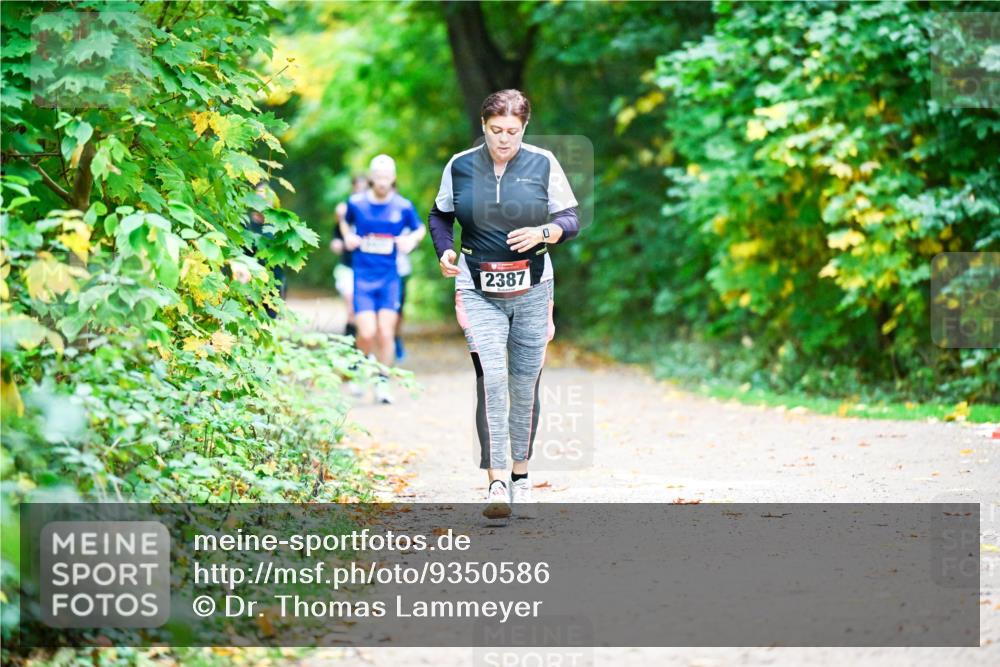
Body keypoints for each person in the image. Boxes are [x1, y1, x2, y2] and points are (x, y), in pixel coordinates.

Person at [428, 89, 580, 519]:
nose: (504, 140)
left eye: (512, 131)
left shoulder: (543, 163)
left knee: (524, 384)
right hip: (478, 288)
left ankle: (521, 477)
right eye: (496, 131)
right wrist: (444, 250)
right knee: (492, 378)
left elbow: (571, 219)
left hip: (534, 287)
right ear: (483, 126)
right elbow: (440, 215)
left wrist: (543, 233)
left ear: (524, 128)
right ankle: (495, 480)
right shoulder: (459, 166)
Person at [341, 154, 425, 404]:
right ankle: (358, 372)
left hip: (389, 277)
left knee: (386, 333)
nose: (382, 182)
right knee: (366, 333)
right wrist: (349, 237)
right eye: (378, 177)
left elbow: (419, 228)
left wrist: (411, 240)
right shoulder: (356, 203)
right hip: (363, 277)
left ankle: (382, 382)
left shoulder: (403, 206)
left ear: (393, 178)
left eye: (387, 177)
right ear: (371, 178)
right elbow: (344, 223)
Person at [331, 174, 368, 340]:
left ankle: (363, 350)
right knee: (353, 309)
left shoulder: (374, 210)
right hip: (347, 267)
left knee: (364, 313)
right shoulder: (344, 210)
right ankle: (351, 351)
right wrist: (337, 243)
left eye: (364, 188)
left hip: (368, 268)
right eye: (358, 188)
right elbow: (336, 236)